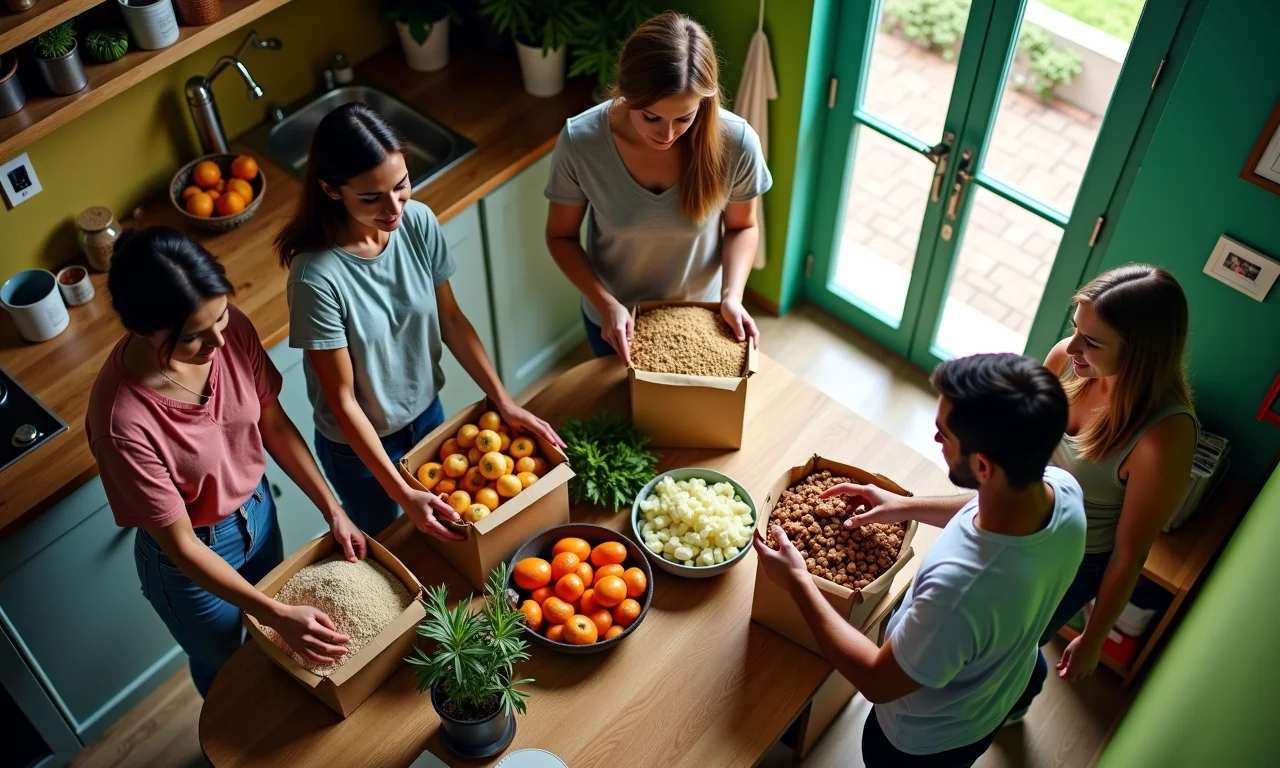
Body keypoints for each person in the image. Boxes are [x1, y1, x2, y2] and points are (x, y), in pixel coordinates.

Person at [754, 353, 1086, 767]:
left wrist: (799, 582)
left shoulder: (961, 589)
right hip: (995, 692)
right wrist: (904, 506)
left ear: (982, 465)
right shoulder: (1063, 492)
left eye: (944, 434)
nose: (935, 441)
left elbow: (876, 679)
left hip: (921, 741)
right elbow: (979, 501)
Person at [87, 227, 364, 697]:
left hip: (258, 512)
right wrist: (274, 613)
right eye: (194, 336)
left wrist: (332, 509)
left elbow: (272, 425)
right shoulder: (122, 421)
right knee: (227, 668)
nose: (219, 338)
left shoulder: (229, 329)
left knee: (274, 648)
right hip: (191, 559)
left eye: (220, 316)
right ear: (139, 329)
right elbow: (180, 546)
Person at [276, 103, 564, 540]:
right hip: (359, 448)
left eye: (401, 185)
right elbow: (343, 400)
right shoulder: (315, 280)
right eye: (371, 198)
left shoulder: (418, 222)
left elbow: (450, 319)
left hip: (428, 415)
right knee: (394, 541)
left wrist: (502, 399)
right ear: (332, 191)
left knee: (453, 532)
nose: (393, 208)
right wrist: (399, 489)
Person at [1007, 264, 1198, 720]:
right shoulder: (1067, 362)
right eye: (1076, 330)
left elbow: (1129, 555)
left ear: (1142, 352)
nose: (1071, 346)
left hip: (1069, 563)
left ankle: (1015, 701)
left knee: (1013, 645)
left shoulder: (1161, 440)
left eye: (1092, 342)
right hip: (1016, 516)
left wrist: (1094, 637)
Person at [544, 11, 772, 362]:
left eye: (684, 118)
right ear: (625, 90)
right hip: (614, 323)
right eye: (650, 117)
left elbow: (743, 226)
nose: (666, 135)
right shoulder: (581, 142)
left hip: (703, 320)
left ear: (704, 102)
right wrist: (606, 305)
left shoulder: (737, 143)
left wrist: (732, 296)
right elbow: (560, 236)